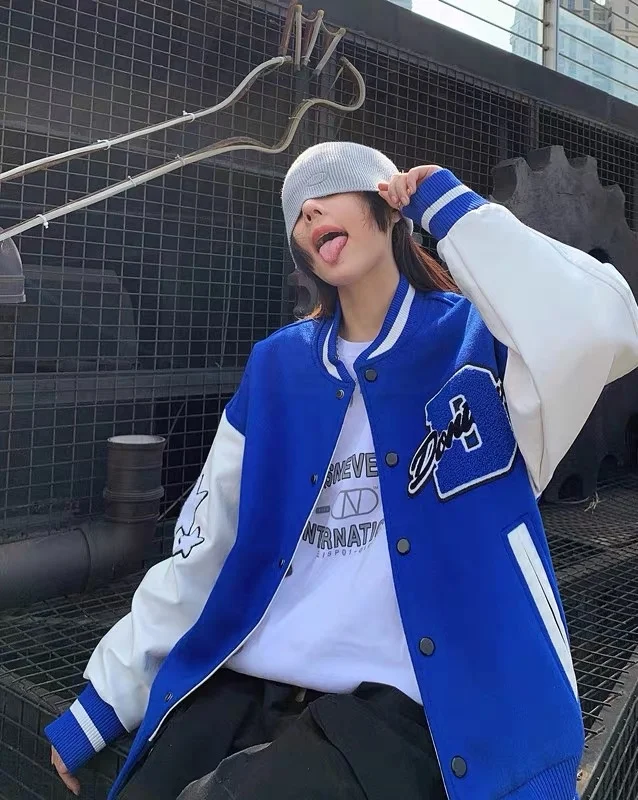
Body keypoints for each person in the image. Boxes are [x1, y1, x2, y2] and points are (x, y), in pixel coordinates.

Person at [46, 141, 638, 800]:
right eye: (298, 211)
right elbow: (205, 546)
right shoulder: (277, 367)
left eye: (330, 189)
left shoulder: (481, 345)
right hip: (253, 681)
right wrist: (103, 704)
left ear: (389, 204)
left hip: (413, 709)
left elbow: (604, 327)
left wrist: (451, 209)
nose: (309, 212)